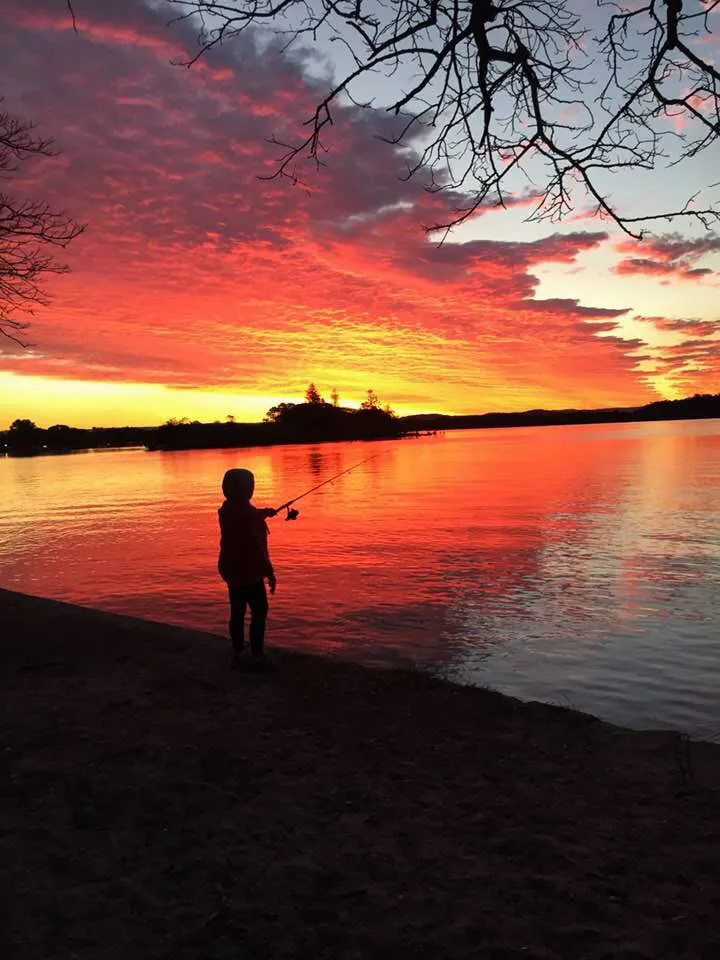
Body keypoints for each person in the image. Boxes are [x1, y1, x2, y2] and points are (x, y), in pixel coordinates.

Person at [218, 468, 277, 670]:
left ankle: (236, 651)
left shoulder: (226, 510)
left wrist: (263, 513)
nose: (252, 488)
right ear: (245, 489)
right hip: (249, 573)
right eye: (250, 485)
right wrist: (269, 572)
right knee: (259, 611)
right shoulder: (247, 515)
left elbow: (244, 515)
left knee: (237, 612)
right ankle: (257, 655)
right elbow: (256, 548)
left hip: (232, 572)